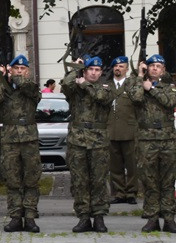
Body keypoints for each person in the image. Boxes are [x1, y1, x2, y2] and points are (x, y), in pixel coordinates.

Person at [61, 57, 117, 232]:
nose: (93, 72)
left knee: (99, 180)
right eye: (90, 69)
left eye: (97, 70)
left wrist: (85, 84)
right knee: (80, 181)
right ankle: (83, 217)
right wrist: (75, 68)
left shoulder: (107, 88)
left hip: (98, 141)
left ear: (101, 73)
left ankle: (99, 217)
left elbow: (101, 97)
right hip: (77, 140)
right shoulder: (75, 89)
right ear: (85, 71)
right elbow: (65, 85)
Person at [0, 55, 43, 232]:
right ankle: (15, 216)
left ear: (27, 71)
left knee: (31, 179)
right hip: (10, 140)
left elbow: (28, 88)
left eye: (23, 69)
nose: (19, 71)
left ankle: (29, 216)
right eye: (16, 68)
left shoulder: (31, 87)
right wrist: (0, 76)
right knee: (12, 180)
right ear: (10, 70)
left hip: (29, 139)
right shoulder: (5, 89)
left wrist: (14, 77)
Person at [130, 56, 176, 233]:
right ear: (146, 68)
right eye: (152, 66)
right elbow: (135, 98)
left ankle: (169, 218)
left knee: (167, 180)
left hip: (167, 140)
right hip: (146, 140)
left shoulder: (169, 88)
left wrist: (153, 88)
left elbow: (170, 101)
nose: (155, 69)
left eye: (158, 66)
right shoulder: (139, 85)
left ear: (163, 70)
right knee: (149, 181)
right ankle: (152, 218)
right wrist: (140, 78)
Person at [106, 56, 138, 205]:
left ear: (127, 69)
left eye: (121, 66)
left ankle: (131, 193)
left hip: (129, 130)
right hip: (111, 130)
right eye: (116, 66)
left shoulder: (131, 85)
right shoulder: (106, 86)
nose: (118, 68)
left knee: (131, 165)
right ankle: (119, 192)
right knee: (115, 165)